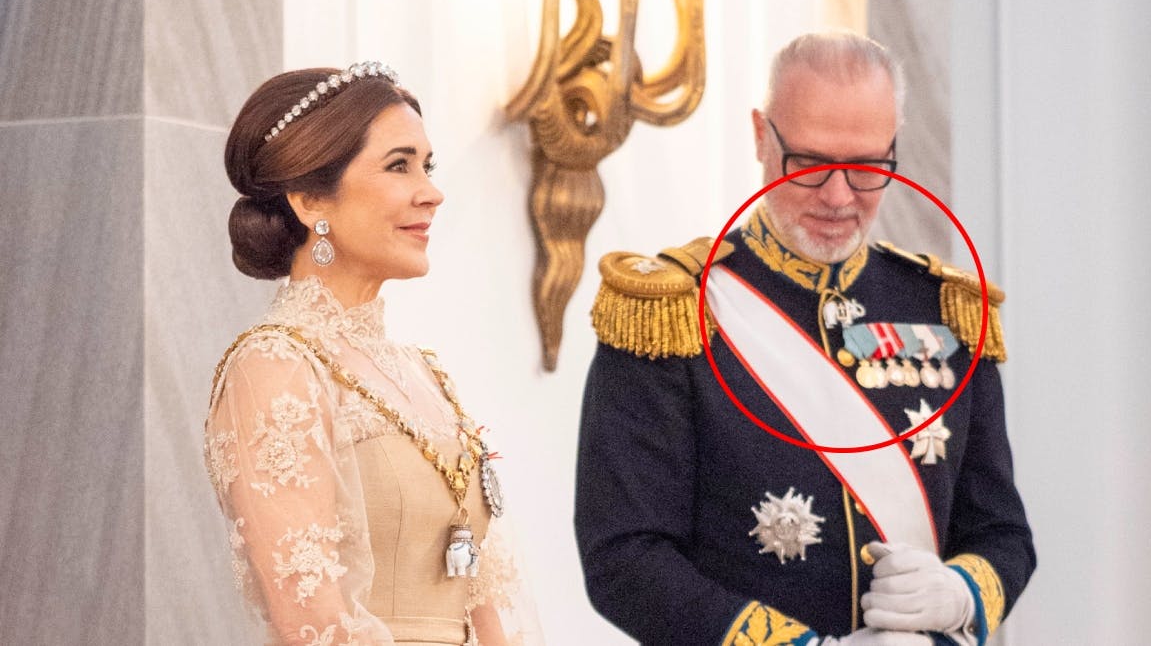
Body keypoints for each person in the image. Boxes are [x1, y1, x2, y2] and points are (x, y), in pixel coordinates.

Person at [575, 33, 1035, 645]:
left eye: (867, 168)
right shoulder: (671, 313)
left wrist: (958, 594)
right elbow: (625, 557)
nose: (839, 197)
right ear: (761, 137)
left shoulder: (947, 311)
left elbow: (1002, 535)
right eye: (810, 163)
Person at [204, 62, 541, 646]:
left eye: (427, 166)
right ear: (310, 200)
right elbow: (312, 622)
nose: (431, 192)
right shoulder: (276, 366)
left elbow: (481, 601)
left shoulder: (424, 372)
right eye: (399, 165)